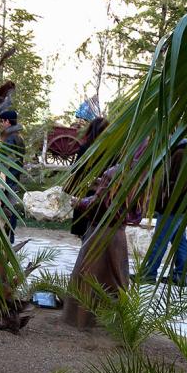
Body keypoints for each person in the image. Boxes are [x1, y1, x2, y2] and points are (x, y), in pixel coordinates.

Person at [62, 140, 145, 329]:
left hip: (100, 233)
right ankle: (115, 324)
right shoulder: (142, 177)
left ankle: (82, 320)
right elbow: (135, 211)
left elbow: (99, 204)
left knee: (89, 276)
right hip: (118, 235)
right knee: (117, 279)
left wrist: (78, 202)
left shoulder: (114, 173)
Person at [139, 139, 187, 286]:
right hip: (181, 209)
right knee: (180, 242)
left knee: (159, 241)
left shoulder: (179, 155)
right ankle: (180, 275)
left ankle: (149, 273)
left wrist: (161, 202)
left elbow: (172, 183)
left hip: (171, 209)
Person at [70, 117, 109, 238]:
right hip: (103, 195)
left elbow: (75, 172)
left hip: (86, 195)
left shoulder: (85, 149)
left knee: (85, 237)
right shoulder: (111, 150)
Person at [0, 109, 25, 243]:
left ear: (7, 122)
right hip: (15, 176)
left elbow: (1, 158)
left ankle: (7, 235)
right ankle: (11, 236)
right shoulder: (19, 137)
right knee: (11, 207)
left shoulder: (10, 138)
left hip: (7, 177)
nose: (1, 124)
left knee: (7, 207)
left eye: (2, 122)